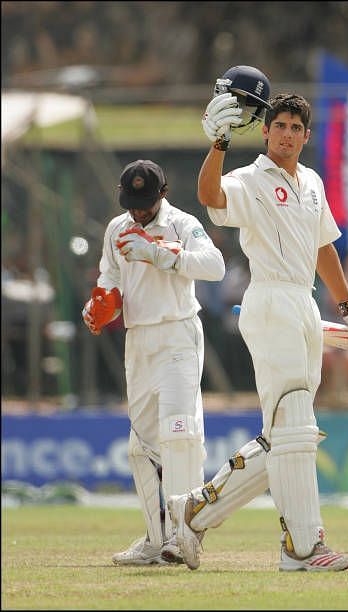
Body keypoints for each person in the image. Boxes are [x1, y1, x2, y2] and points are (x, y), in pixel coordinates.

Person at [166, 65, 348, 572]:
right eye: (278, 125)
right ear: (265, 130)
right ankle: (302, 548)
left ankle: (195, 509)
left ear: (306, 136)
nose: (286, 134)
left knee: (288, 433)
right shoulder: (249, 178)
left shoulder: (311, 183)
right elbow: (210, 197)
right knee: (295, 426)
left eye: (295, 128)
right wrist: (217, 143)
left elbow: (324, 247)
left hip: (305, 304)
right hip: (269, 300)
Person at [82, 159, 225, 565]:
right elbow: (108, 281)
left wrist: (163, 255)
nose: (139, 211)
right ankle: (154, 538)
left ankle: (184, 538)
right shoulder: (116, 228)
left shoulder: (181, 223)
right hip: (138, 338)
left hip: (177, 333)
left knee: (179, 435)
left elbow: (215, 266)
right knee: (140, 445)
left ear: (162, 194)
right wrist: (97, 307)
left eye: (146, 203)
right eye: (132, 203)